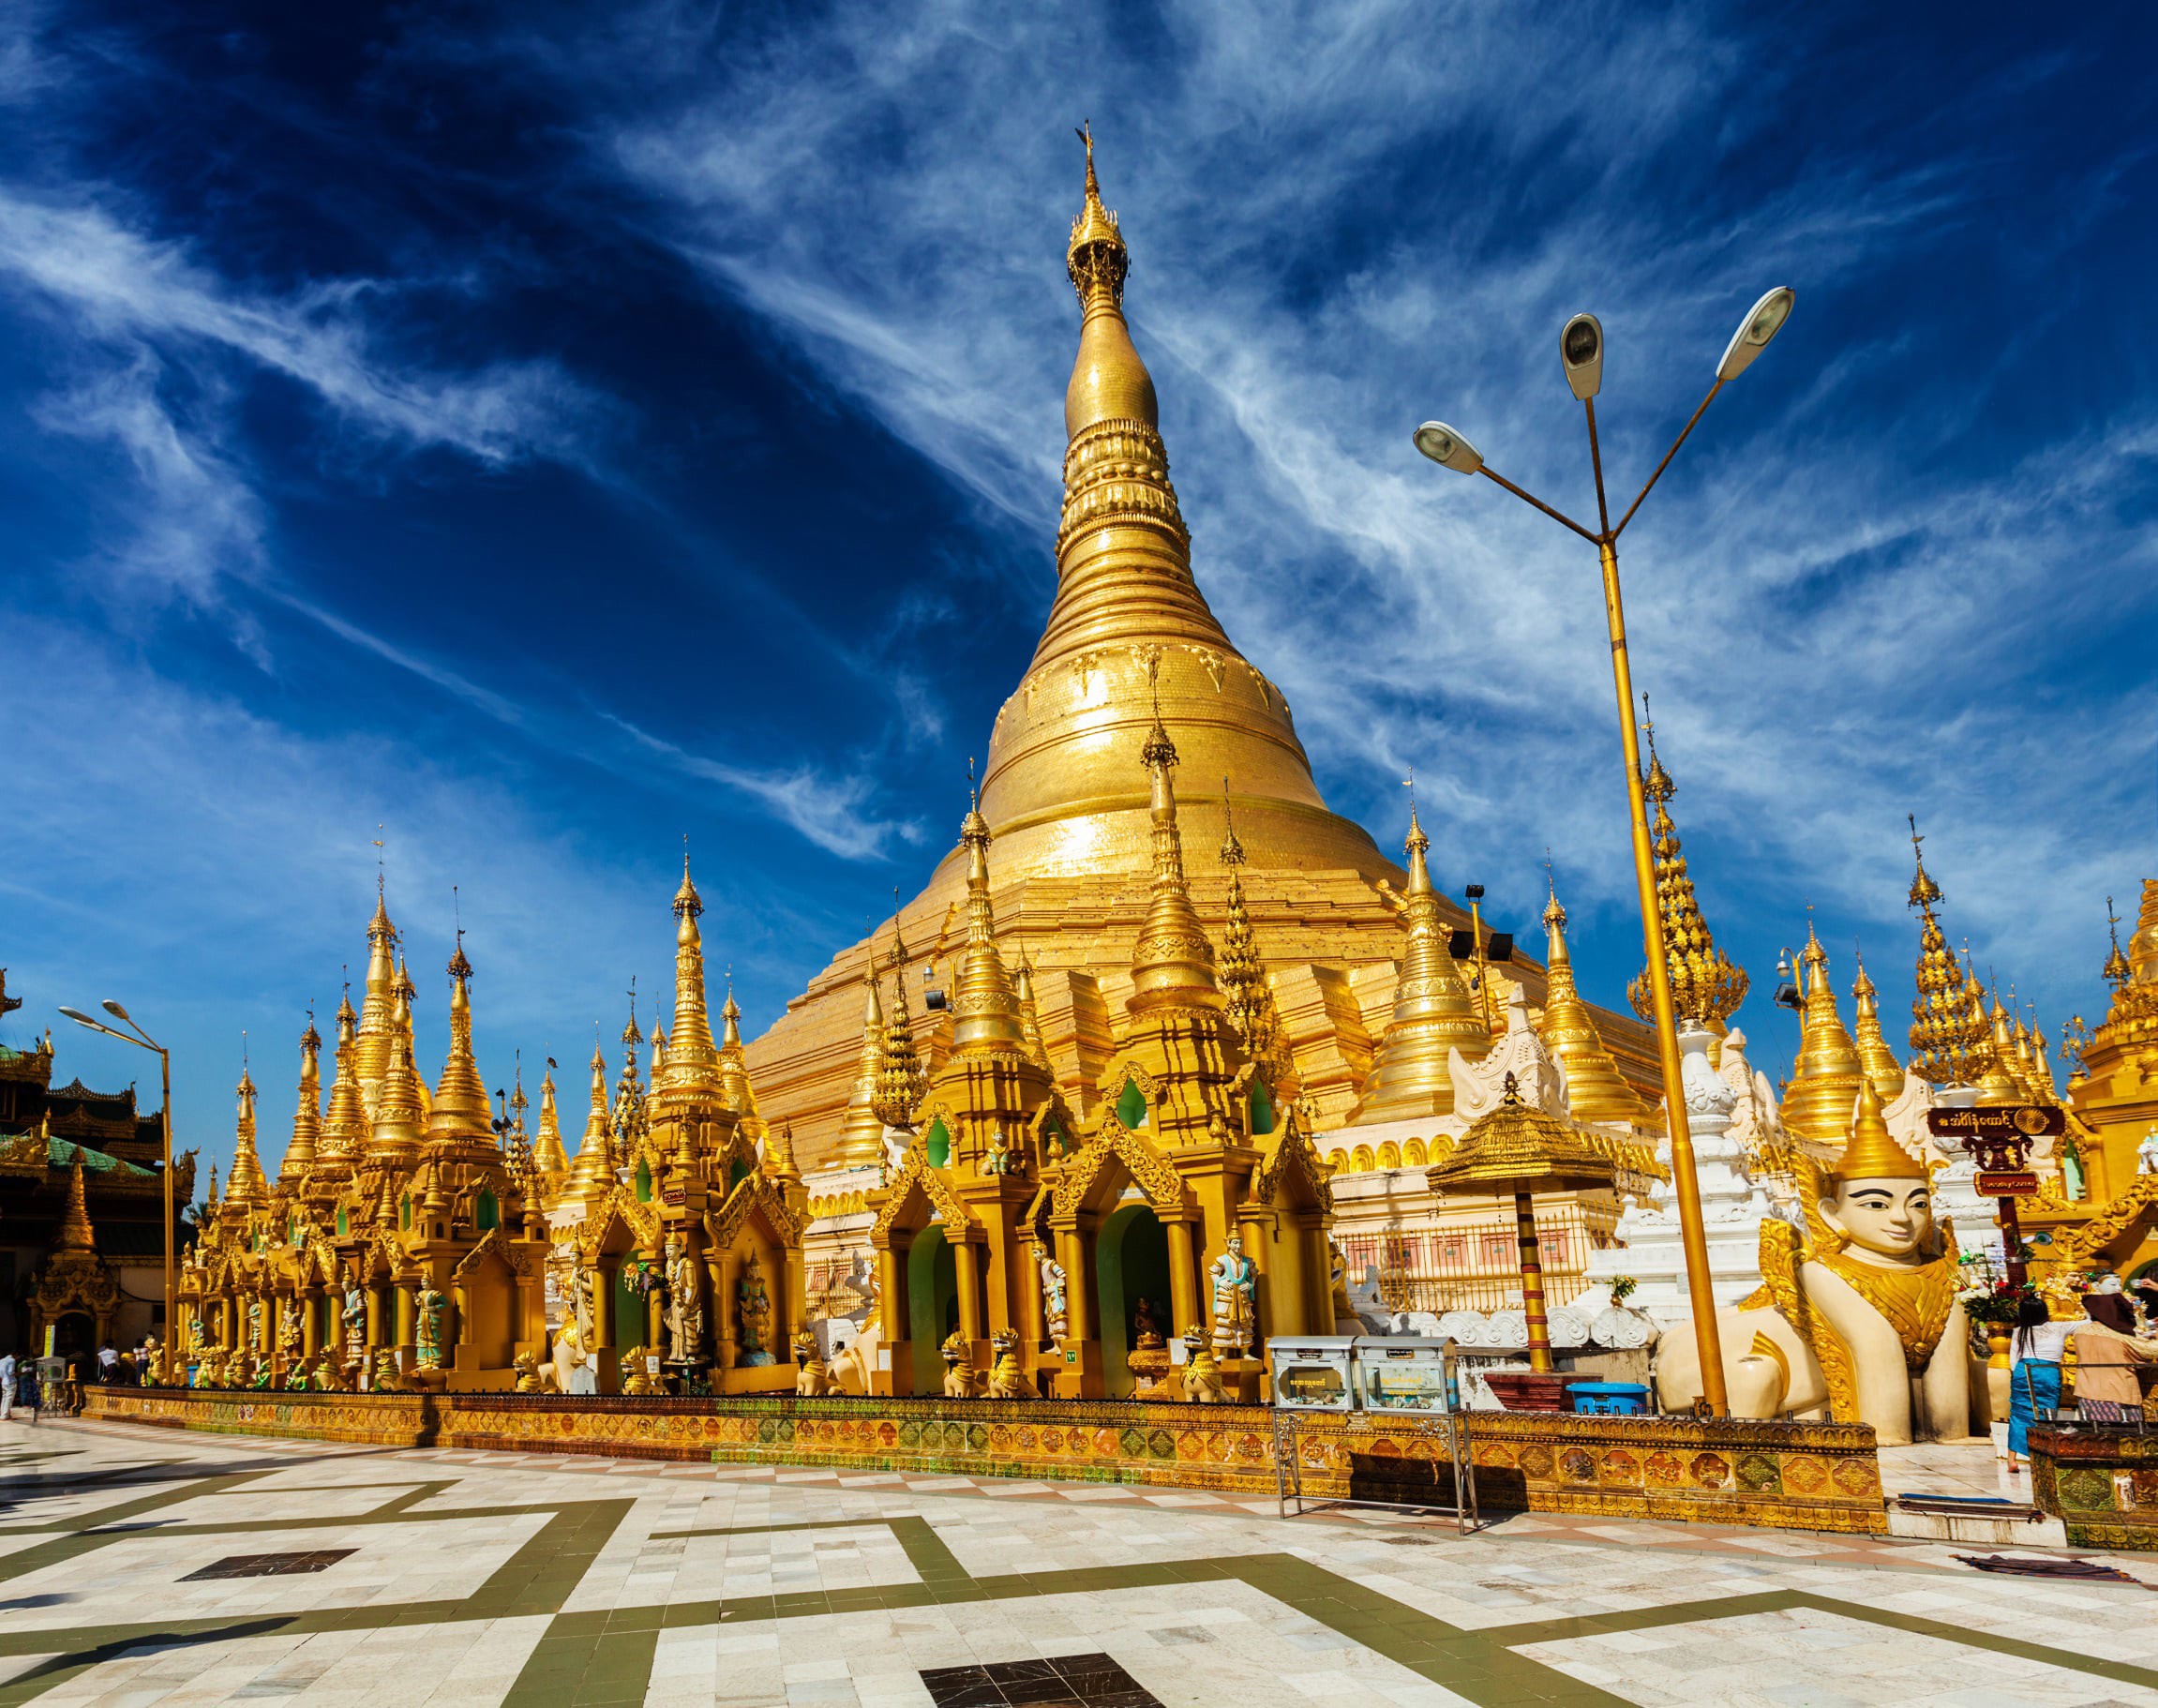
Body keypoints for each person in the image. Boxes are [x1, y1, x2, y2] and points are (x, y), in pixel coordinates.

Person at [2072, 1292, 2157, 1425]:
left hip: (2087, 1393)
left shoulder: (2080, 1331)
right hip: (2118, 1394)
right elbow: (2151, 1350)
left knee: (2095, 1436)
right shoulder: (2119, 1337)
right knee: (2124, 1438)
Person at [2005, 1294, 2070, 1463]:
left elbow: (2013, 1358)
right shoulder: (2059, 1327)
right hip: (2048, 1372)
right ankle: (2043, 1455)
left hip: (2024, 1371)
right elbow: (2086, 1322)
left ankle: (2011, 1459)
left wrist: (2017, 1376)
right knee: (2046, 1414)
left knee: (2018, 1414)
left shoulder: (2019, 1331)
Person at [0, 1349, 14, 1421]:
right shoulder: (12, 1360)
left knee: (4, 1398)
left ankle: (3, 1414)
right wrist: (19, 1373)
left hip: (3, 1382)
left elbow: (1, 1374)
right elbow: (11, 1372)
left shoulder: (1, 1361)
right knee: (9, 1399)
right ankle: (5, 1415)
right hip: (10, 1382)